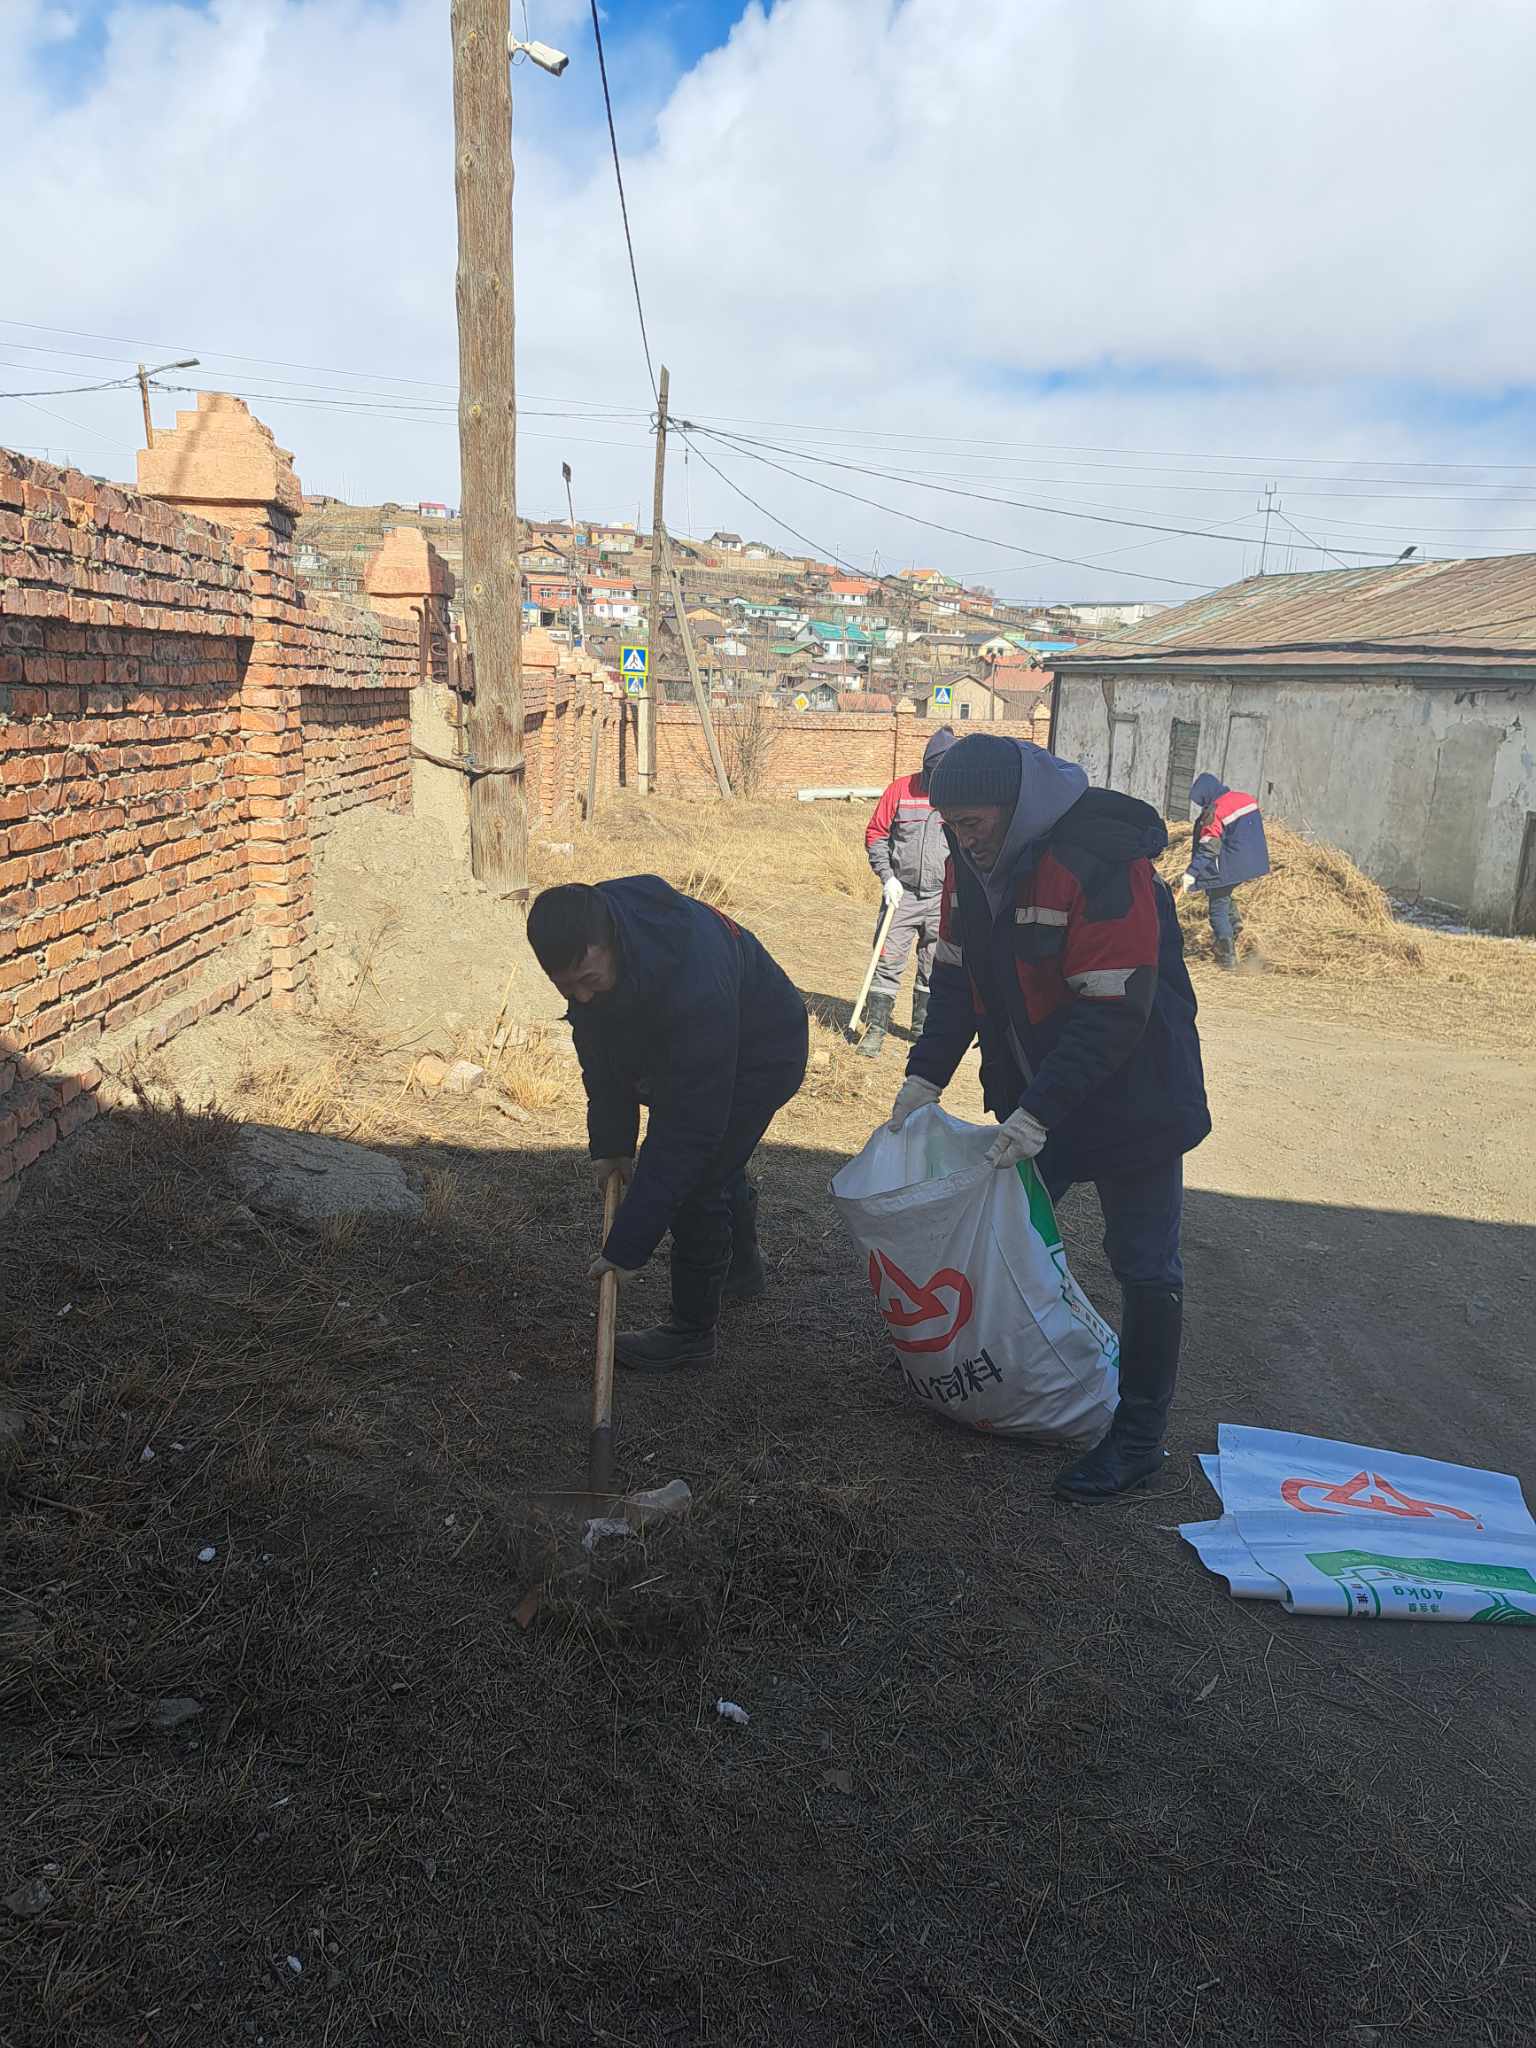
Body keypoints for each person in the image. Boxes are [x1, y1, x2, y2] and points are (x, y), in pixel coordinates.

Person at [886, 733, 1210, 1504]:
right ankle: (985, 1369)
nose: (962, 841)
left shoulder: (1101, 859)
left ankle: (1138, 1437)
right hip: (1041, 1087)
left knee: (1144, 1262)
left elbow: (1114, 1009)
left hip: (1135, 1091)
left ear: (1014, 806)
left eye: (972, 824)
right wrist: (923, 1077)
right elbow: (956, 980)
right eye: (951, 827)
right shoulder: (971, 861)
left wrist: (1036, 1115)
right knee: (1004, 1231)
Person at [526, 877, 808, 1373]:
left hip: (763, 1051)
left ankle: (692, 1333)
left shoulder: (691, 980)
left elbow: (687, 1133)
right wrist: (612, 1145)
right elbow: (602, 1056)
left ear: (611, 942)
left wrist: (628, 1246)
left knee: (701, 1175)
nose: (581, 997)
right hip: (696, 1042)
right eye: (567, 988)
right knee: (713, 1161)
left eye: (588, 980)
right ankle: (741, 1270)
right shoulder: (590, 935)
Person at [857, 726, 957, 1058]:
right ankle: (876, 1028)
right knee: (887, 961)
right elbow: (876, 834)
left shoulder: (959, 797)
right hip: (902, 895)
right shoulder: (900, 790)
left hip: (942, 899)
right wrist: (887, 877)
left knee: (934, 966)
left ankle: (921, 1031)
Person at [1182, 774, 1271, 969]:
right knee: (1224, 893)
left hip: (1229, 864)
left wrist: (1192, 873)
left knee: (1217, 910)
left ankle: (1227, 958)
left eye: (1201, 801)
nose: (1202, 805)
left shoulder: (1215, 811)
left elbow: (1209, 848)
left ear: (1206, 795)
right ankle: (1234, 923)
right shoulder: (1245, 798)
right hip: (1253, 861)